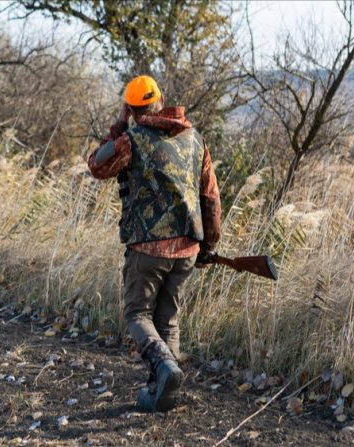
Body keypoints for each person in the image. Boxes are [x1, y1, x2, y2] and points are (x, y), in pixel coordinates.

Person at [87, 75, 222, 412]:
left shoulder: (131, 140)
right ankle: (165, 395)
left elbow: (96, 165)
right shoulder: (195, 139)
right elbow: (211, 199)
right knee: (168, 321)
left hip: (147, 248)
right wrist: (209, 246)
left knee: (137, 314)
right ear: (161, 100)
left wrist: (119, 124)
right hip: (188, 249)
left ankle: (164, 370)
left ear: (131, 109)